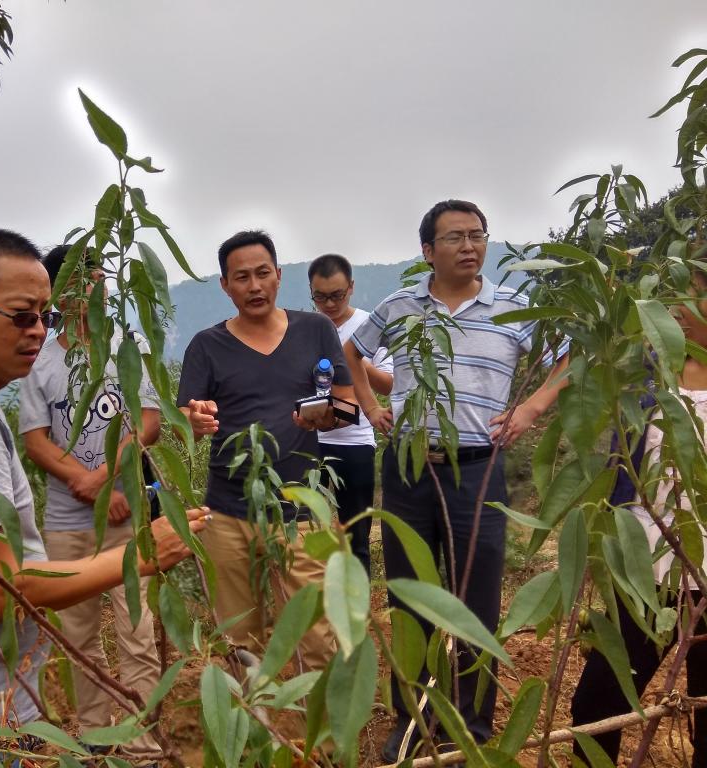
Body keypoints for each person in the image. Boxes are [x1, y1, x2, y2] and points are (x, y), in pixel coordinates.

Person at [0, 228, 207, 766]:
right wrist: (142, 554)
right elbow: (2, 589)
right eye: (21, 315)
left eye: (43, 316)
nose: (38, 330)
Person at [346, 200, 569, 761]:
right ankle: (412, 721)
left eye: (477, 235)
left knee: (477, 600)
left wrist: (532, 407)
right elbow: (350, 351)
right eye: (454, 237)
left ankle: (470, 726)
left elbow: (570, 357)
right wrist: (370, 406)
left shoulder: (513, 307)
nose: (469, 246)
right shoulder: (400, 305)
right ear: (427, 251)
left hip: (478, 470)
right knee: (410, 597)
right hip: (408, 470)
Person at [177, 230, 350, 670]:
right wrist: (194, 420)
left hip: (300, 509)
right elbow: (183, 420)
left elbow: (348, 407)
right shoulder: (206, 346)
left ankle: (320, 718)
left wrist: (325, 416)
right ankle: (251, 716)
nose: (254, 286)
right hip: (228, 513)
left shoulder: (316, 330)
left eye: (262, 274)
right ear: (225, 285)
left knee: (315, 632)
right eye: (241, 278)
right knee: (239, 640)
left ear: (278, 275)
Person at [19, 244, 163, 760]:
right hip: (66, 522)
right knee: (78, 637)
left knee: (137, 632)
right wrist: (85, 480)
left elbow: (149, 422)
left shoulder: (127, 347)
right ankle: (95, 737)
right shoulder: (40, 360)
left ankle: (143, 745)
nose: (92, 289)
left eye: (98, 277)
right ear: (58, 293)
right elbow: (35, 440)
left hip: (127, 512)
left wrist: (104, 480)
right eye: (80, 281)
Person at [570, 269, 707, 767]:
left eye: (694, 295)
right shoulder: (646, 375)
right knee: (595, 706)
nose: (676, 309)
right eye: (674, 296)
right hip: (646, 575)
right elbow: (620, 469)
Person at [308, 254, 393, 573]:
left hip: (355, 442)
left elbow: (388, 384)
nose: (329, 304)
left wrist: (355, 358)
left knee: (356, 535)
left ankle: (357, 598)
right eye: (320, 297)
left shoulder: (370, 326)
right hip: (310, 440)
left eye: (337, 295)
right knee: (305, 530)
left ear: (352, 288)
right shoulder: (305, 328)